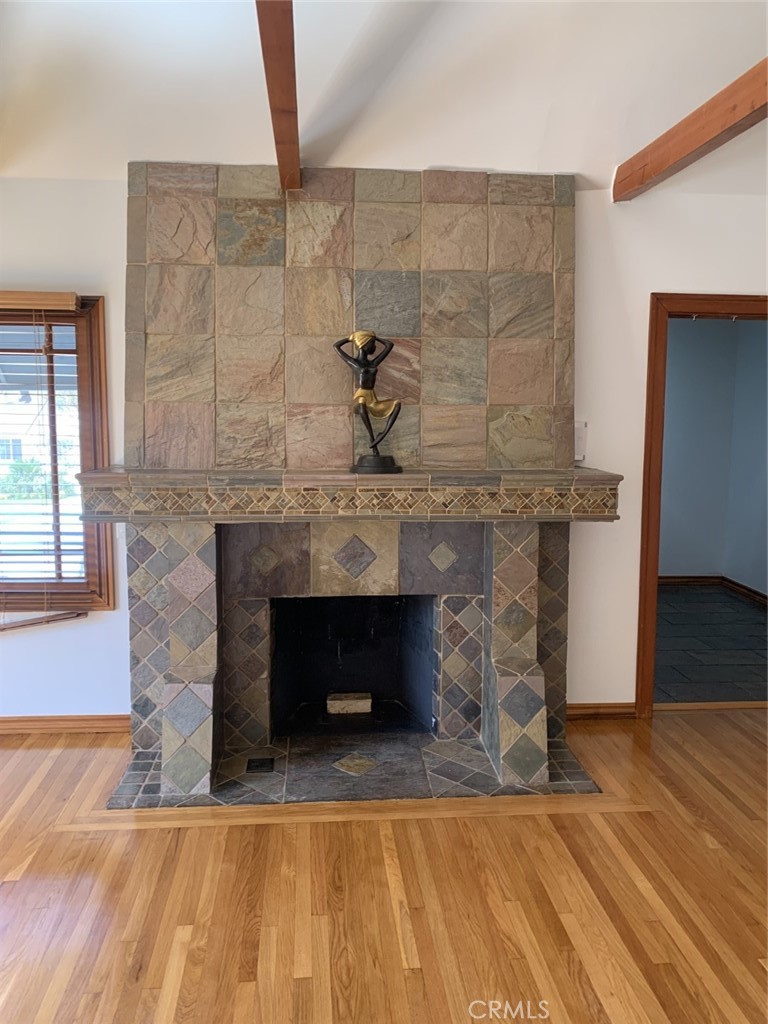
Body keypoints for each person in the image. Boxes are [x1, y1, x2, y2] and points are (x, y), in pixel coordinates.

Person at [333, 330, 401, 455]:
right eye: (372, 344)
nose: (374, 347)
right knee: (361, 402)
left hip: (372, 397)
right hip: (361, 396)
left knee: (397, 403)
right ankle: (372, 438)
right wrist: (351, 338)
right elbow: (336, 346)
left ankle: (383, 433)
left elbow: (389, 345)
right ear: (364, 344)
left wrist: (374, 337)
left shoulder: (373, 363)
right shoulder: (354, 363)